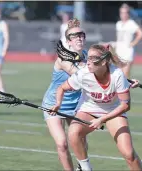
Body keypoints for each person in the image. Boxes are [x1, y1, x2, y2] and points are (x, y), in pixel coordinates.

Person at [51, 44, 142, 171]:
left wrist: (102, 119)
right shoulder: (83, 74)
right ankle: (85, 168)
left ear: (104, 61)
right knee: (73, 132)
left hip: (113, 111)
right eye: (88, 58)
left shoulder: (117, 75)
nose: (88, 62)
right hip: (89, 109)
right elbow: (62, 88)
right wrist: (57, 104)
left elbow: (125, 105)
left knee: (129, 154)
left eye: (93, 59)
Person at [42, 18, 87, 171]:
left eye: (81, 34)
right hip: (54, 103)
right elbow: (79, 76)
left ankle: (82, 166)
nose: (79, 38)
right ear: (68, 41)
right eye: (75, 36)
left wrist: (126, 81)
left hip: (76, 105)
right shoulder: (63, 59)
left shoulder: (88, 56)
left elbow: (107, 71)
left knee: (81, 140)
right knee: (62, 143)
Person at [115, 4, 142, 78]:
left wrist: (133, 43)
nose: (123, 15)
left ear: (128, 14)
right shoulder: (118, 24)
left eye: (125, 13)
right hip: (119, 51)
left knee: (125, 76)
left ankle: (126, 89)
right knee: (118, 75)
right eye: (122, 13)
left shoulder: (131, 23)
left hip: (128, 52)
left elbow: (140, 34)